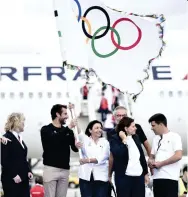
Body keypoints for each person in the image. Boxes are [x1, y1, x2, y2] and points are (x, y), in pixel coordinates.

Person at [40, 104, 81, 197]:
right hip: (51, 169)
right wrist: (69, 127)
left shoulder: (68, 131)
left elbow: (74, 148)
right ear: (58, 114)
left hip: (64, 170)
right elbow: (55, 139)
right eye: (65, 114)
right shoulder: (46, 130)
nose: (67, 117)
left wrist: (76, 145)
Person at [109, 117, 149, 197]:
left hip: (138, 177)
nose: (136, 128)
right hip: (124, 178)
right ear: (126, 128)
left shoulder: (136, 137)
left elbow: (141, 157)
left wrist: (145, 173)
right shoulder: (115, 139)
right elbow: (118, 154)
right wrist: (124, 139)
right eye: (133, 126)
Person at [148, 113, 183, 197]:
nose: (151, 128)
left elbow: (178, 156)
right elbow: (152, 156)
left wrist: (161, 163)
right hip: (157, 179)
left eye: (153, 126)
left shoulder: (175, 136)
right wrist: (150, 162)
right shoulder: (155, 139)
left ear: (161, 124)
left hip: (170, 178)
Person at [1, 112, 33, 197]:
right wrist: (14, 175)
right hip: (12, 179)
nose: (24, 124)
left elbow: (23, 159)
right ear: (16, 122)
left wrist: (28, 171)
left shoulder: (20, 138)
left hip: (23, 179)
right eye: (23, 121)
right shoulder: (6, 138)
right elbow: (4, 160)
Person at [78, 120, 110, 197]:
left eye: (100, 128)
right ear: (90, 130)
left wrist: (88, 160)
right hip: (86, 177)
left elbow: (103, 157)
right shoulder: (85, 140)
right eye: (96, 128)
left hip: (101, 177)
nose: (99, 130)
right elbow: (77, 131)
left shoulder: (105, 142)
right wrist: (73, 112)